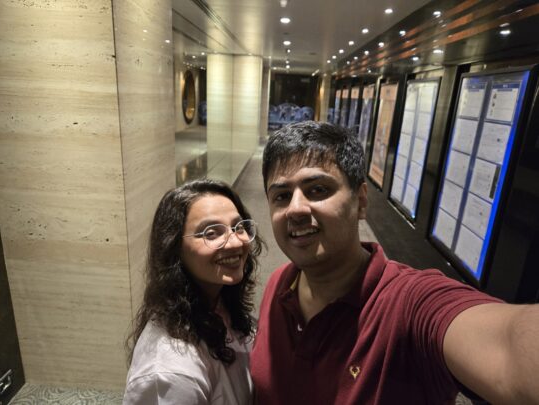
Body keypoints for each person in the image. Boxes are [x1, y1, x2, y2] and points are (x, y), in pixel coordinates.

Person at [251, 121, 539, 404]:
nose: (296, 209)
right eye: (282, 196)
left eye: (318, 190)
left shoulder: (410, 304)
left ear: (361, 201)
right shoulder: (280, 284)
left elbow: (509, 350)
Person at [124, 179, 263, 405]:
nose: (235, 242)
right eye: (211, 233)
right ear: (174, 247)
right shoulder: (172, 373)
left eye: (238, 227)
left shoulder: (216, 299)